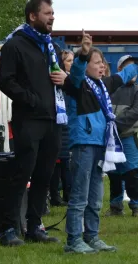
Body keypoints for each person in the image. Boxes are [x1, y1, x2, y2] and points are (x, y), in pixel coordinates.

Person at [64, 32, 138, 253]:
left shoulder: (103, 86)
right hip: (84, 143)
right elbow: (75, 70)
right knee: (80, 195)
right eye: (97, 63)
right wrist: (83, 54)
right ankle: (74, 240)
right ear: (85, 65)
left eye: (103, 62)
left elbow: (122, 76)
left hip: (100, 144)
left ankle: (92, 236)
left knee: (95, 196)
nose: (102, 66)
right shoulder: (76, 84)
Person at [0, 0, 67, 246]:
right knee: (22, 172)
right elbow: (6, 80)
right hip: (29, 119)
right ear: (32, 16)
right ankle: (8, 228)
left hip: (53, 119)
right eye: (47, 13)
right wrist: (31, 99)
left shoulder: (51, 47)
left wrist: (64, 78)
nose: (52, 17)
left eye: (52, 12)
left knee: (44, 175)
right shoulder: (15, 45)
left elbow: (60, 78)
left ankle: (35, 226)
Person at [107, 54, 138, 217]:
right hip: (111, 138)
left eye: (135, 68)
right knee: (114, 173)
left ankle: (136, 205)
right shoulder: (111, 88)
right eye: (128, 67)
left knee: (131, 172)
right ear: (120, 70)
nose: (133, 71)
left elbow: (135, 112)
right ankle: (116, 206)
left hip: (130, 136)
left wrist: (114, 124)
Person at [49, 49, 74, 206]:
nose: (72, 63)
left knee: (66, 163)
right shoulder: (57, 80)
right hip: (60, 124)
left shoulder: (72, 81)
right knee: (57, 163)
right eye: (69, 60)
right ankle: (55, 194)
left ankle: (67, 194)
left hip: (69, 124)